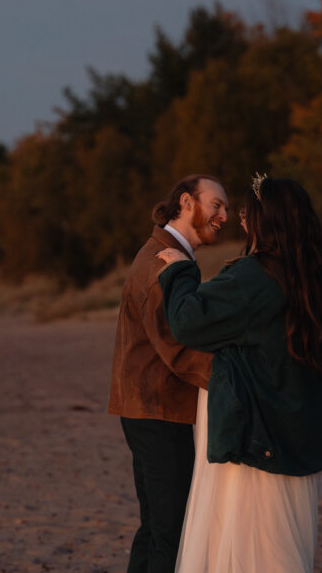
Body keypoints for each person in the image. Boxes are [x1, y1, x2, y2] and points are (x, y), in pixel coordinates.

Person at [156, 175, 322, 573]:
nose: (242, 221)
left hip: (261, 433)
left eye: (249, 213)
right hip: (305, 430)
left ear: (269, 221)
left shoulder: (256, 276)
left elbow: (187, 322)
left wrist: (179, 272)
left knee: (259, 548)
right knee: (284, 542)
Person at [109, 174, 230, 573]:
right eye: (216, 204)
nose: (224, 215)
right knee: (171, 531)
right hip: (157, 410)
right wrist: (237, 379)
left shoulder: (166, 253)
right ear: (186, 202)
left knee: (156, 527)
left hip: (148, 408)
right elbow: (177, 347)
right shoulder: (162, 262)